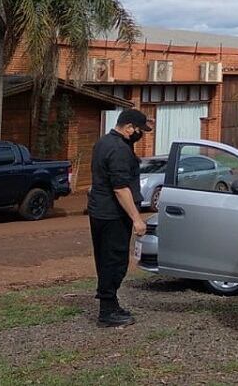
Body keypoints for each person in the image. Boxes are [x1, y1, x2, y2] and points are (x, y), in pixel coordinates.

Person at [87, 108, 151, 327]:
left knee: (106, 259)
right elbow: (120, 188)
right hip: (113, 215)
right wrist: (137, 219)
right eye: (139, 130)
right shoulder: (119, 150)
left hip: (100, 211)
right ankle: (107, 311)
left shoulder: (103, 142)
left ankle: (110, 304)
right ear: (129, 128)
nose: (140, 135)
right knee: (114, 261)